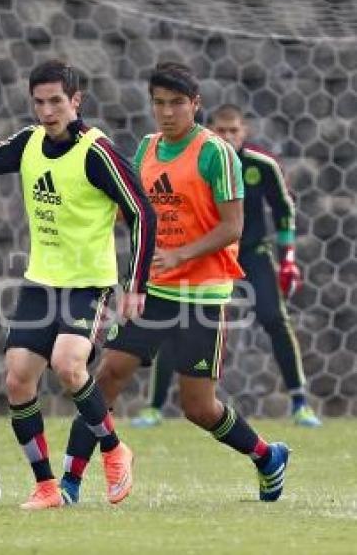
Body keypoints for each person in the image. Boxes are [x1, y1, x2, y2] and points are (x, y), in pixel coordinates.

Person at [0, 60, 156, 509]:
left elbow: (142, 213)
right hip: (40, 284)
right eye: (39, 102)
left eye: (56, 100)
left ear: (76, 101)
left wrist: (136, 282)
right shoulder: (29, 142)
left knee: (68, 364)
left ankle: (115, 451)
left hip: (87, 285)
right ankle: (46, 487)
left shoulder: (98, 153)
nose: (47, 110)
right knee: (18, 380)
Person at [66, 62, 290, 502]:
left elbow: (233, 226)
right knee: (107, 374)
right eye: (159, 103)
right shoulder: (147, 148)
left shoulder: (215, 153)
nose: (167, 113)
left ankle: (267, 456)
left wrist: (182, 254)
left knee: (198, 408)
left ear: (195, 105)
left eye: (177, 104)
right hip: (152, 292)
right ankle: (69, 482)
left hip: (201, 295)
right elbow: (133, 208)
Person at [131, 104, 320, 428]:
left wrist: (288, 258)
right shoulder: (201, 160)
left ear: (244, 131)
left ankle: (300, 402)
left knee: (275, 319)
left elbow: (283, 210)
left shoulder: (261, 165)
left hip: (251, 254)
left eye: (234, 130)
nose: (228, 136)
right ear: (211, 130)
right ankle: (154, 406)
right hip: (206, 254)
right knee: (171, 323)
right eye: (222, 130)